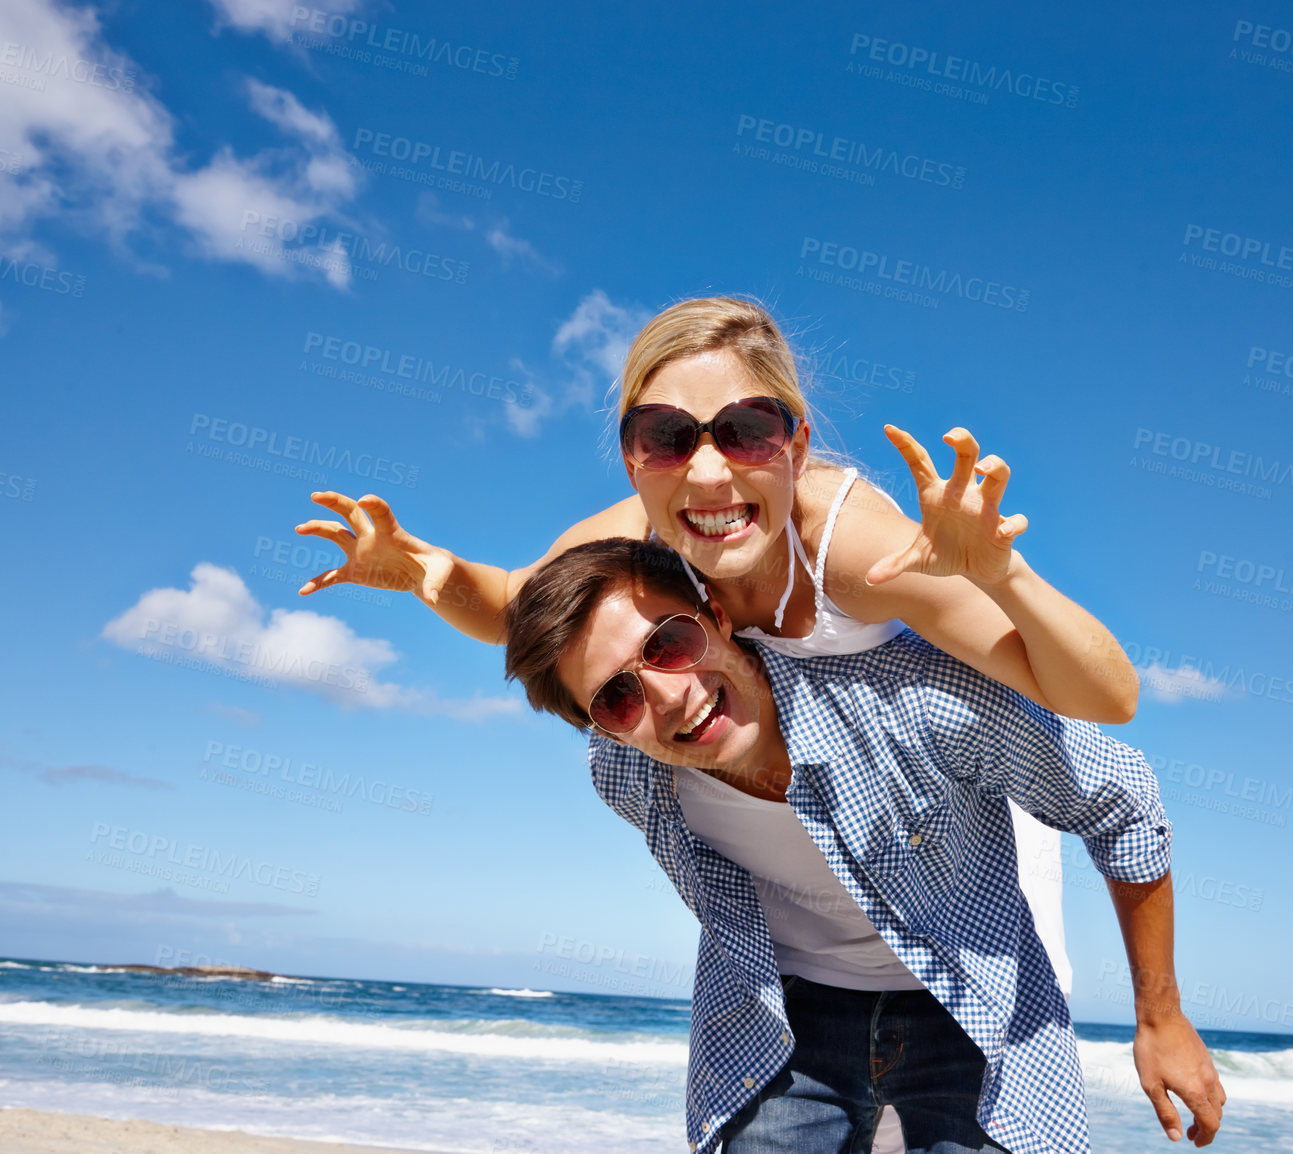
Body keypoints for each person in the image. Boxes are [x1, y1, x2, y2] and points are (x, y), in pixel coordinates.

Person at [295, 296, 1138, 1150]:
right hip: (805, 950)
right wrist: (423, 572)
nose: (705, 474)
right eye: (664, 436)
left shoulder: (852, 551)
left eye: (744, 429)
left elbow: (1101, 702)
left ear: (796, 441)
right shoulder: (644, 536)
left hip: (938, 849)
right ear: (632, 459)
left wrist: (1007, 578)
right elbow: (517, 604)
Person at [498, 536, 1224, 1154]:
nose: (669, 697)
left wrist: (1160, 1014)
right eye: (617, 698)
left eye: (669, 644)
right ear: (599, 727)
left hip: (972, 1002)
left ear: (717, 613)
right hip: (788, 1016)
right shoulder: (626, 769)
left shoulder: (917, 693)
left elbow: (1122, 805)